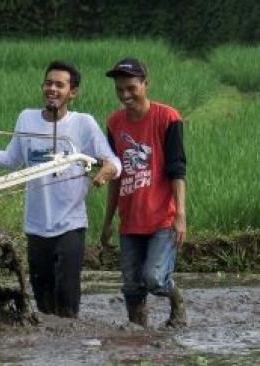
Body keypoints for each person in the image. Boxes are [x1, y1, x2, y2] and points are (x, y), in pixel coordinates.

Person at [0, 60, 121, 318]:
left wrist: (104, 173)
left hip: (70, 224)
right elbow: (13, 159)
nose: (52, 89)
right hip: (36, 226)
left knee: (67, 299)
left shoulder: (83, 124)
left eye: (59, 85)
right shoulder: (26, 118)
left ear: (72, 92)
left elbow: (114, 162)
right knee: (42, 302)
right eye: (48, 83)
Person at [100, 57, 187, 328]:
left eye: (131, 88)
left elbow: (177, 169)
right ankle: (138, 334)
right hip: (130, 220)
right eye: (119, 89)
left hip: (162, 218)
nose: (125, 95)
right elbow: (115, 175)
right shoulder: (114, 123)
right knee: (131, 285)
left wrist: (181, 214)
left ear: (145, 84)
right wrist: (107, 222)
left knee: (154, 279)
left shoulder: (167, 118)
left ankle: (177, 303)